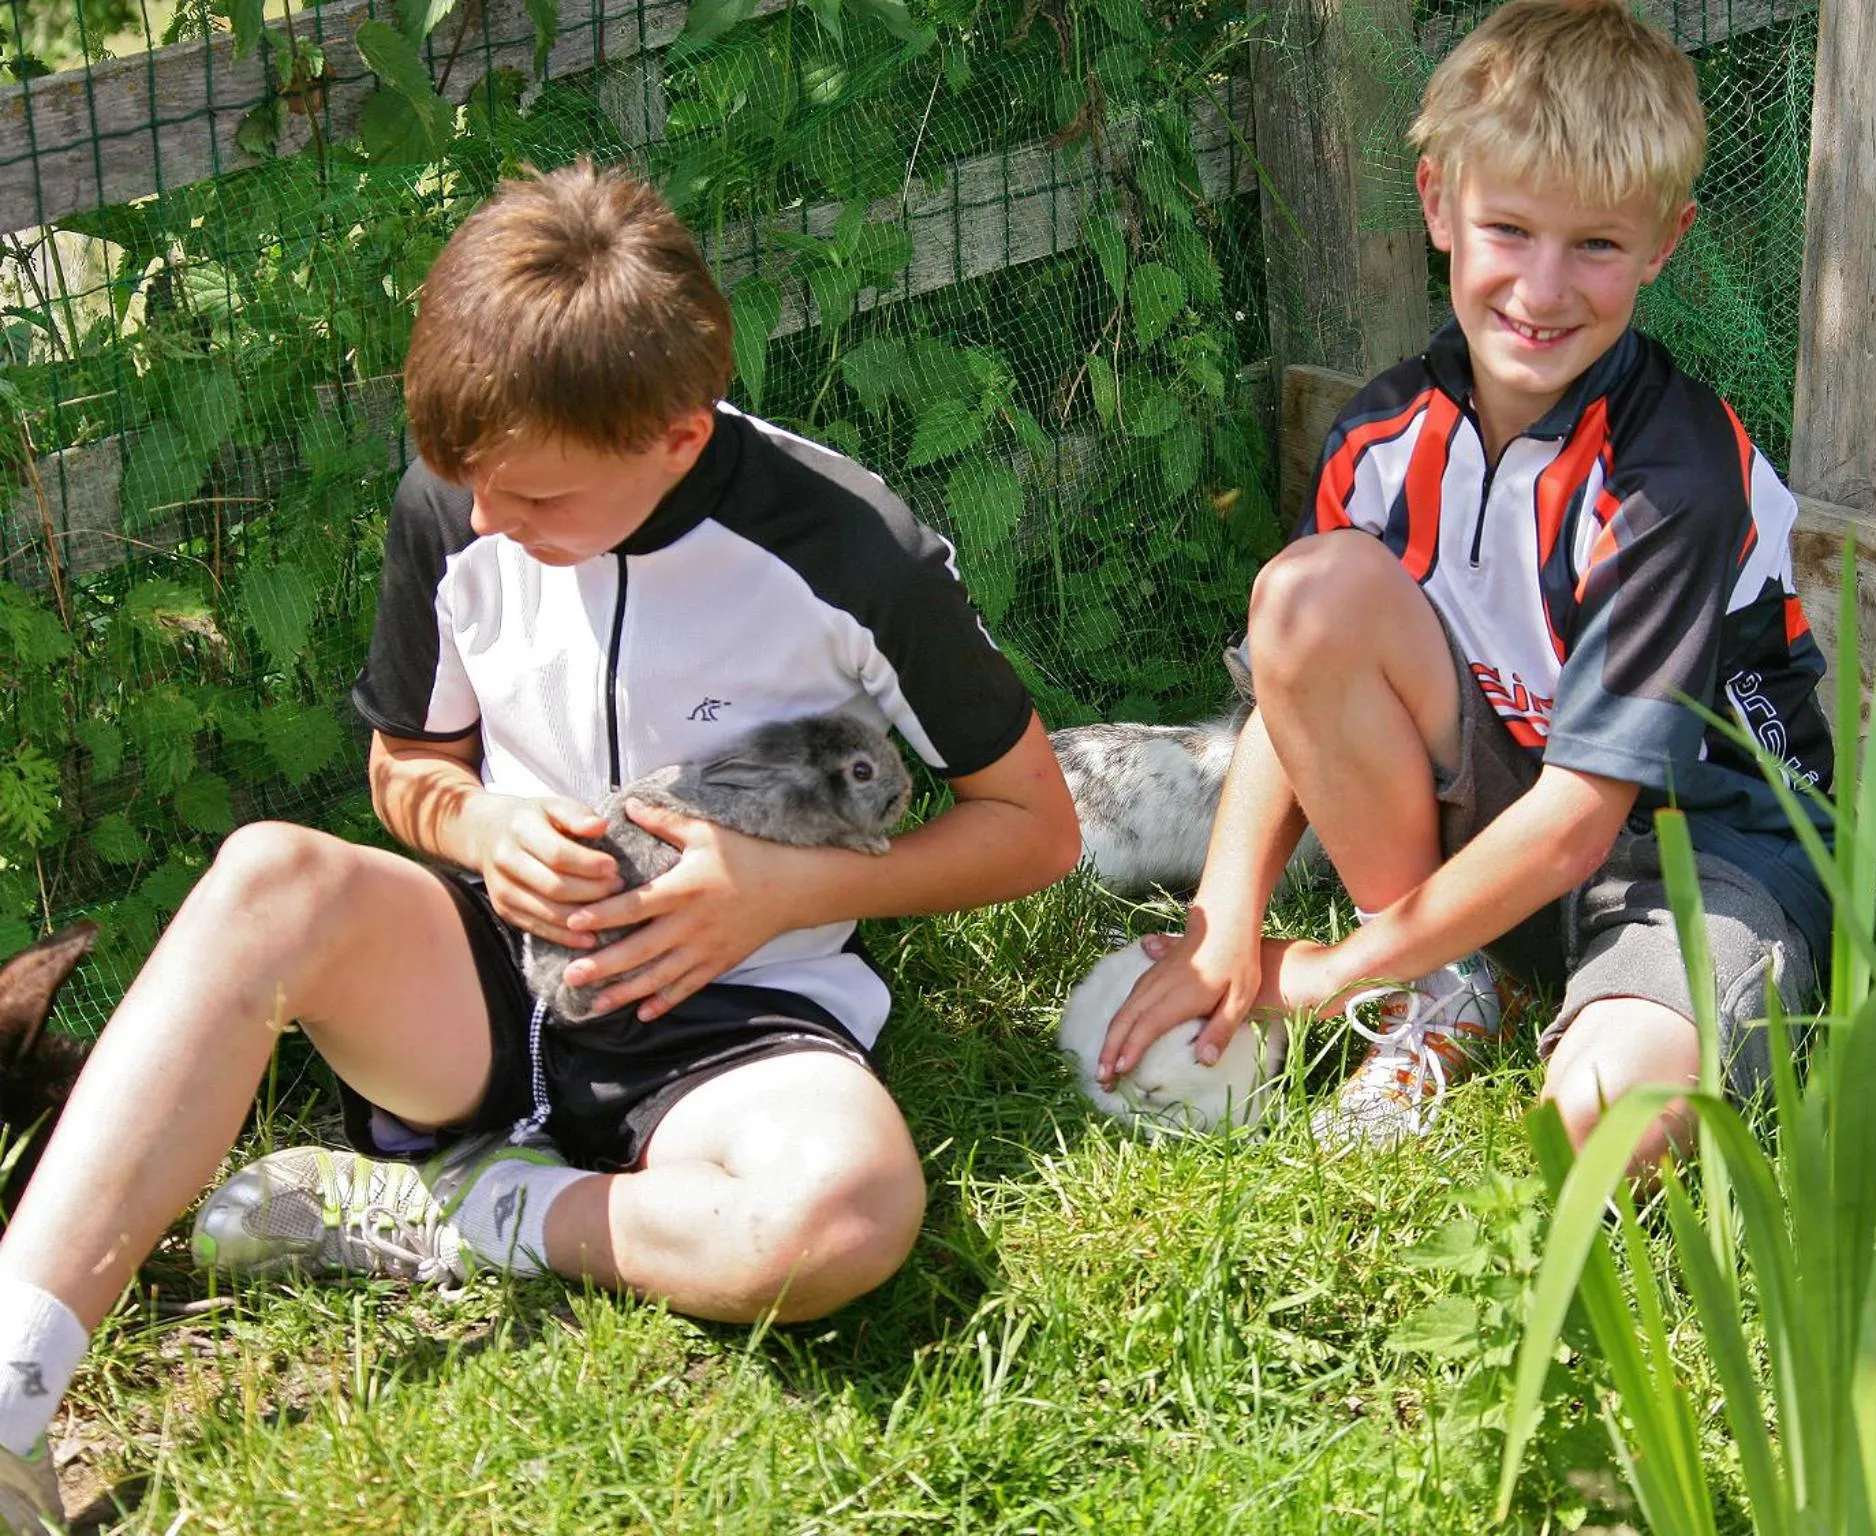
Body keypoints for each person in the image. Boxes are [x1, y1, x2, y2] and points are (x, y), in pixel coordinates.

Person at [0, 162, 1080, 1529]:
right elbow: (408, 766)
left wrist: (776, 893)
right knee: (270, 871)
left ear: (678, 437)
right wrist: (479, 820)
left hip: (732, 1021)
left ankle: (464, 1215)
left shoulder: (851, 552)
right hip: (480, 978)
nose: (489, 525)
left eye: (538, 503)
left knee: (848, 1217)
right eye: (470, 489)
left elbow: (1036, 829)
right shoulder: (458, 500)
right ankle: (8, 1396)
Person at [1099, 0, 1832, 1165]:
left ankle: (1590, 1004)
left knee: (1603, 1130)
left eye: (1594, 244)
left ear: (1664, 239)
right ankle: (1445, 987)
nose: (1541, 290)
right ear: (1439, 205)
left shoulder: (1672, 472)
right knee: (1309, 591)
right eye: (1508, 229)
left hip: (1700, 858)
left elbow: (1576, 823)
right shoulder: (1385, 430)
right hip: (1504, 824)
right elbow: (1284, 710)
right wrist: (1222, 926)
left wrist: (1331, 968)